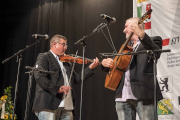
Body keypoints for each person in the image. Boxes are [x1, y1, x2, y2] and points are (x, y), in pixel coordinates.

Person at [101, 17, 163, 120]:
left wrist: (142, 35)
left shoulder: (153, 40)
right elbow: (115, 63)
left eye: (126, 27)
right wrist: (104, 63)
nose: (124, 30)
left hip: (143, 94)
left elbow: (155, 53)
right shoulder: (125, 47)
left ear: (135, 26)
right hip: (122, 96)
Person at [32, 34, 99, 120]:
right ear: (54, 44)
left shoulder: (66, 62)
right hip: (49, 104)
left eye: (66, 45)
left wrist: (90, 67)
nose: (66, 47)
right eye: (63, 44)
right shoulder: (44, 57)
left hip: (67, 106)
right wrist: (57, 88)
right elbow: (39, 77)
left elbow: (76, 79)